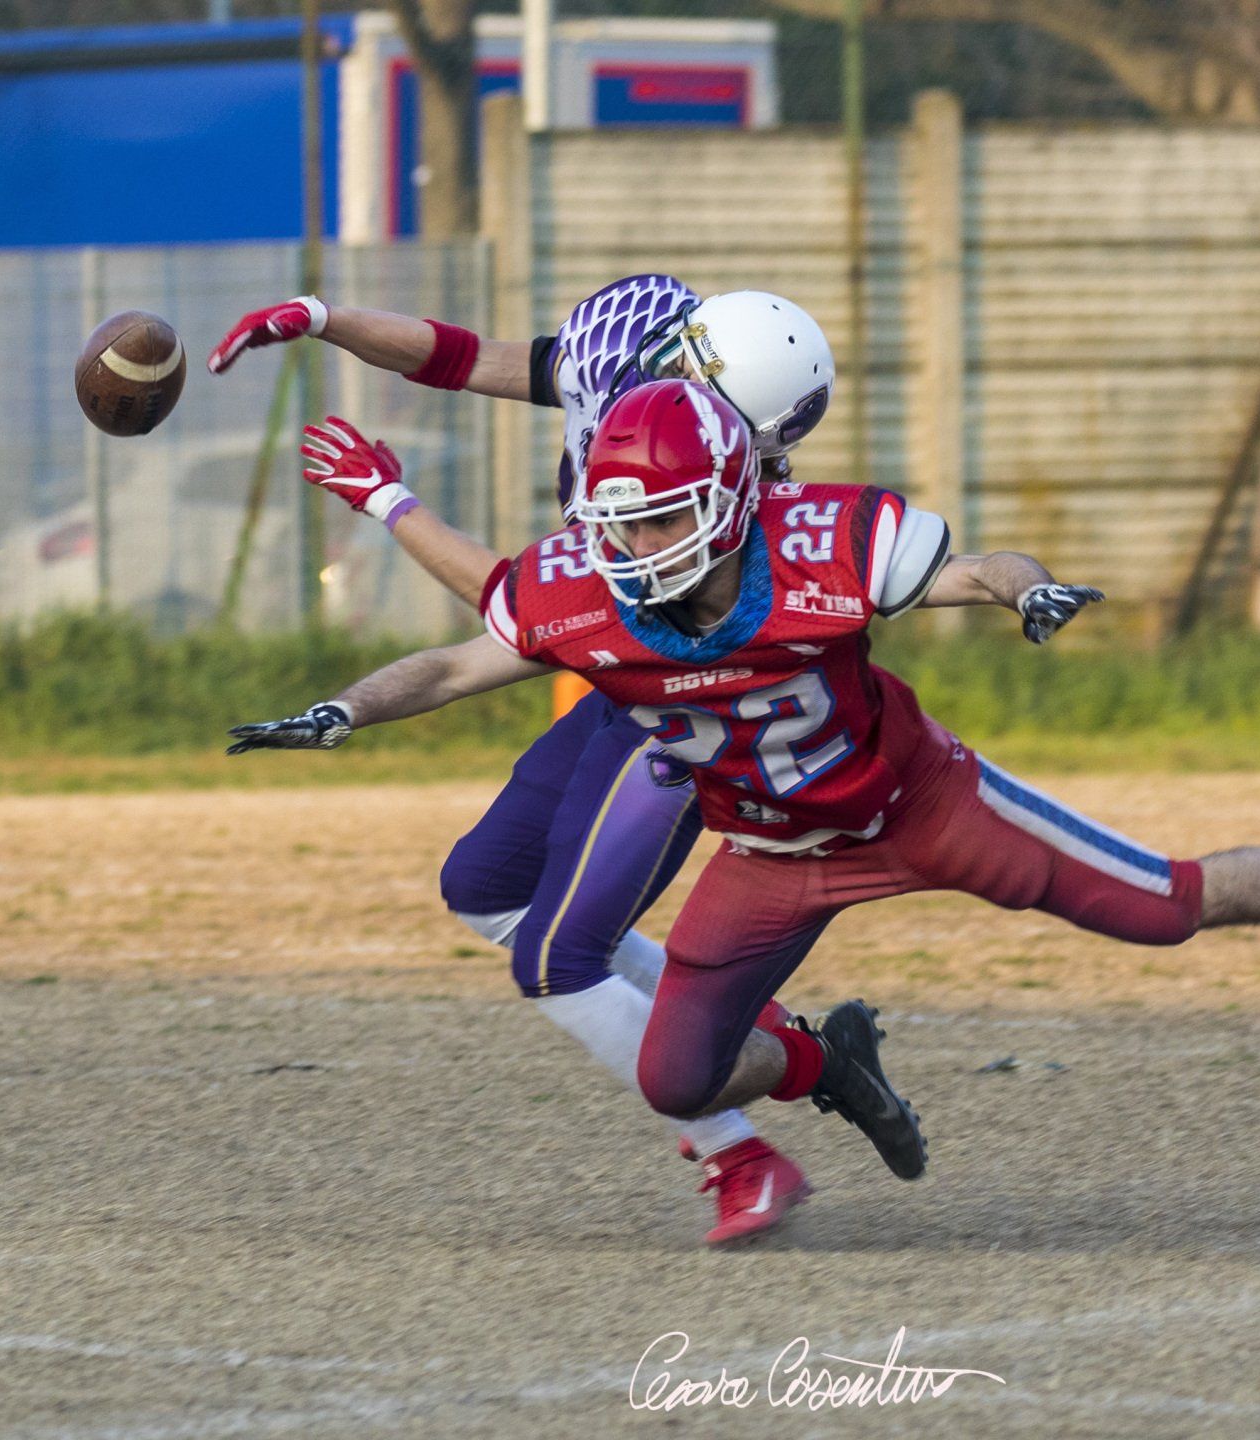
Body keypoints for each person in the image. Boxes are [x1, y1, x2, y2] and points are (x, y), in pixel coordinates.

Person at [228, 378, 1260, 1186]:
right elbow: (460, 657)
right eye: (621, 530)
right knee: (676, 1077)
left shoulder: (819, 549)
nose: (638, 553)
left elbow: (975, 566)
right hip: (764, 861)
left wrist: (1031, 591)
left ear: (734, 500)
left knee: (1163, 903)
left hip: (925, 811)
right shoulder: (589, 596)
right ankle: (822, 1064)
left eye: (663, 523)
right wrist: (346, 706)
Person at [208, 279, 834, 1244]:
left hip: (686, 715)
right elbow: (462, 357)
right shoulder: (633, 369)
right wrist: (322, 317)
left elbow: (523, 613)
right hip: (619, 684)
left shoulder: (743, 505)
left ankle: (739, 1150)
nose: (751, 456)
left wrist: (391, 501)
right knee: (487, 886)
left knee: (560, 956)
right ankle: (781, 1043)